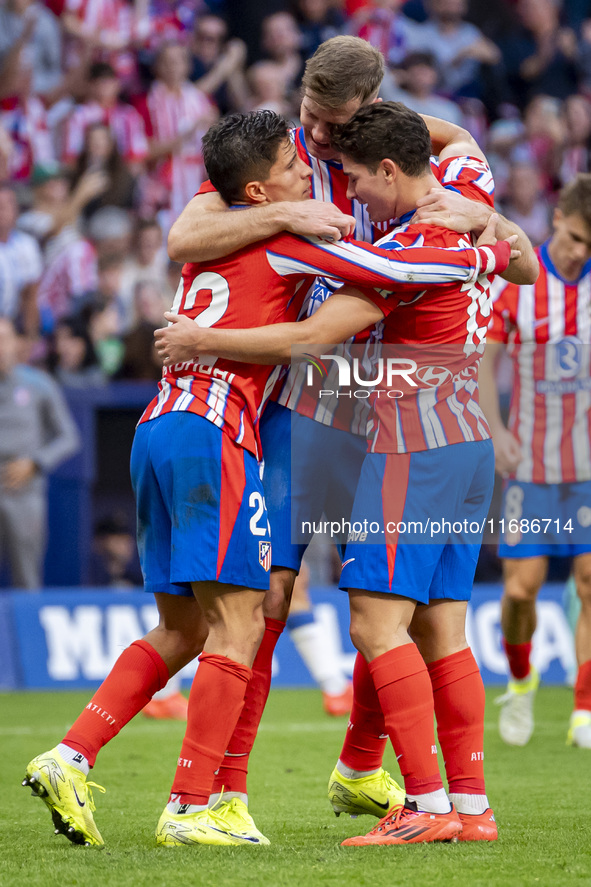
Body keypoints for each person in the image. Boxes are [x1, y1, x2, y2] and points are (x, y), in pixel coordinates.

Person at [22, 108, 509, 849]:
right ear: (257, 191)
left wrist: (474, 216)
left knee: (184, 626)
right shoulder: (293, 234)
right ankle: (195, 803)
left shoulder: (217, 233)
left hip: (159, 427)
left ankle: (70, 754)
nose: (309, 171)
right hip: (220, 432)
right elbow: (342, 306)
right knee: (247, 618)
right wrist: (477, 239)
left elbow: (190, 233)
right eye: (292, 161)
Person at [163, 35, 538, 831]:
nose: (320, 140)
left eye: (334, 126)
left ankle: (384, 776)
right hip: (321, 405)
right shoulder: (282, 156)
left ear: (369, 113)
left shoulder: (445, 159)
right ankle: (228, 789)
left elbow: (526, 266)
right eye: (311, 118)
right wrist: (290, 209)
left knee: (387, 606)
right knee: (275, 591)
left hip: (395, 406)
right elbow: (184, 241)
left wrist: (490, 220)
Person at [479, 173, 591, 749]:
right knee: (522, 588)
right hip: (528, 460)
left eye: (589, 246)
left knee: (590, 580)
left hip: (586, 465)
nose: (578, 252)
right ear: (556, 222)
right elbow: (483, 365)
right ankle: (521, 683)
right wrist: (495, 430)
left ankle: (584, 710)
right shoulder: (518, 281)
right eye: (574, 238)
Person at [0, 317, 80, 588]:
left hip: (24, 491)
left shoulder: (38, 385)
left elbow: (69, 437)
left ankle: (28, 628)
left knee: (27, 576)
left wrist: (35, 463)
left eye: (4, 339)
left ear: (17, 344)